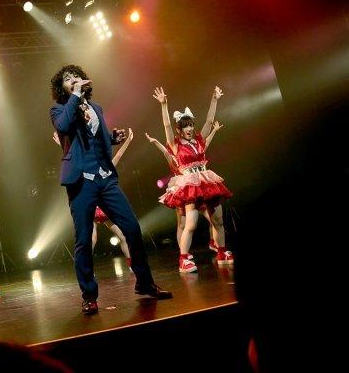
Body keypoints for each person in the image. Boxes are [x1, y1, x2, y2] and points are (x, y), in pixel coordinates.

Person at [49, 64, 172, 315]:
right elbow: (63, 127)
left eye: (76, 77)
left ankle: (144, 283)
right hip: (81, 181)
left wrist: (113, 138)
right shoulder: (59, 109)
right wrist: (75, 96)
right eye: (67, 79)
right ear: (62, 87)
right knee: (84, 239)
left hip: (105, 179)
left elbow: (99, 137)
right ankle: (89, 295)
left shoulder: (96, 108)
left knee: (132, 228)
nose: (73, 80)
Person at [152, 86, 234, 273]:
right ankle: (183, 259)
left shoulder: (199, 139)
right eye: (185, 126)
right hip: (190, 185)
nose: (189, 129)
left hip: (207, 180)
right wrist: (164, 105)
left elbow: (209, 121)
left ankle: (222, 252)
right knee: (190, 224)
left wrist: (214, 99)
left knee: (218, 220)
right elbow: (166, 126)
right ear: (179, 129)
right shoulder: (175, 145)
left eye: (190, 125)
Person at [53, 129, 134, 266]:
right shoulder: (86, 169)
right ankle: (87, 268)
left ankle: (132, 265)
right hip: (93, 207)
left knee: (123, 236)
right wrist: (62, 143)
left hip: (104, 208)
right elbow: (74, 157)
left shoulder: (106, 168)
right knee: (91, 239)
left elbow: (119, 155)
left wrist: (128, 141)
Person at [145, 122, 223, 253]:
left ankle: (213, 242)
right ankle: (184, 253)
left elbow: (204, 144)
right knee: (182, 224)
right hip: (183, 191)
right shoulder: (174, 157)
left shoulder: (190, 152)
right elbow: (165, 152)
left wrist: (214, 131)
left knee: (213, 220)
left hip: (196, 189)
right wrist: (156, 142)